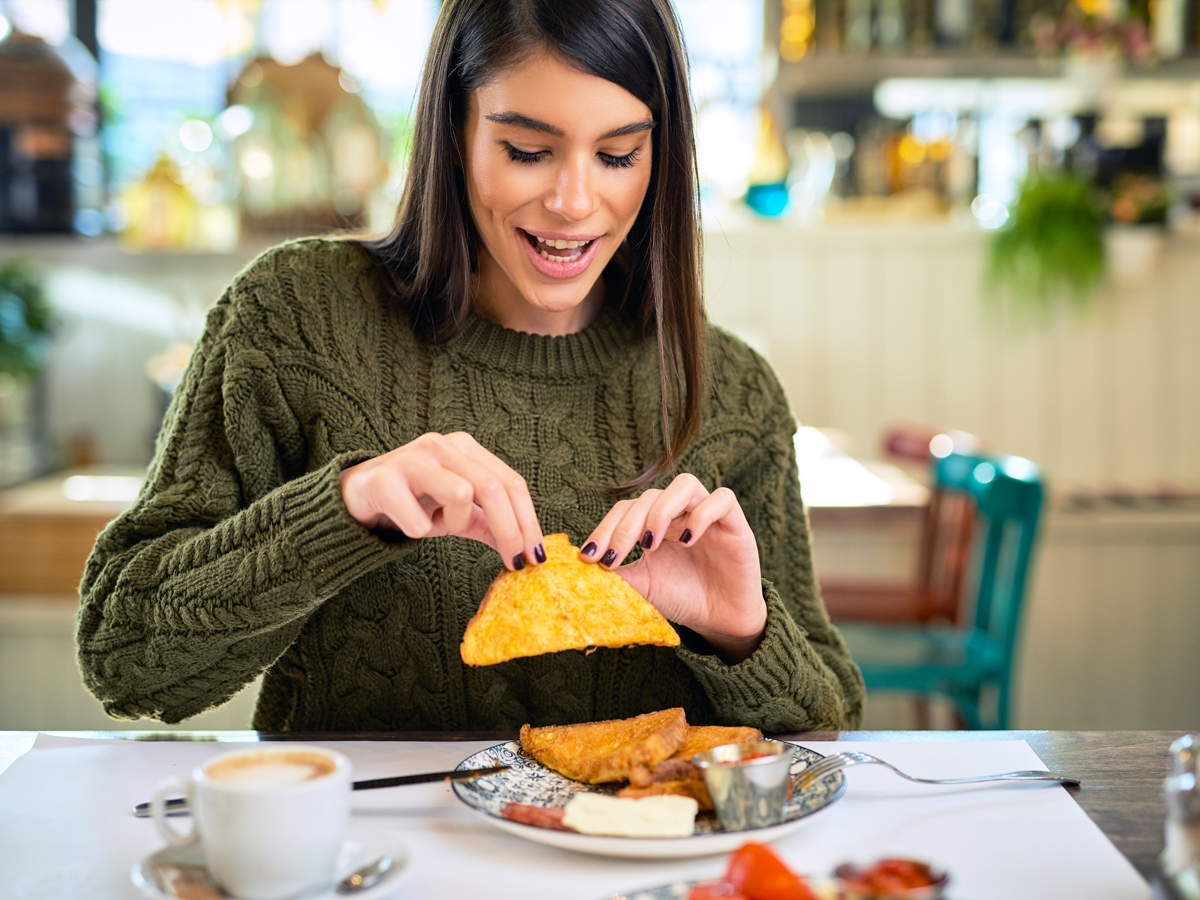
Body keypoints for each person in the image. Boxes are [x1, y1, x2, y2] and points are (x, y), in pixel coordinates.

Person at [76, 0, 864, 733]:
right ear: (453, 131)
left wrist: (741, 630)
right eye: (527, 151)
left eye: (618, 155)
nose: (574, 201)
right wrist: (342, 513)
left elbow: (832, 726)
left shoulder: (731, 391)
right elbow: (122, 660)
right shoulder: (296, 317)